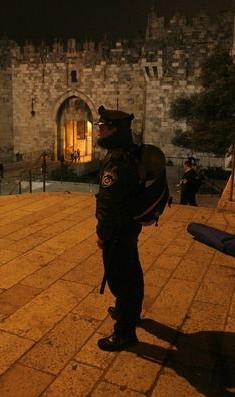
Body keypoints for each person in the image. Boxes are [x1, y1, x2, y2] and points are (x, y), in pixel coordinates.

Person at [94, 105, 144, 352]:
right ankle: (128, 310)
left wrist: (103, 235)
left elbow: (108, 204)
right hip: (129, 226)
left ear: (114, 130)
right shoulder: (129, 152)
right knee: (130, 272)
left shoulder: (116, 161)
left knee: (122, 279)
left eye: (102, 127)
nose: (98, 131)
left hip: (118, 230)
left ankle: (125, 332)